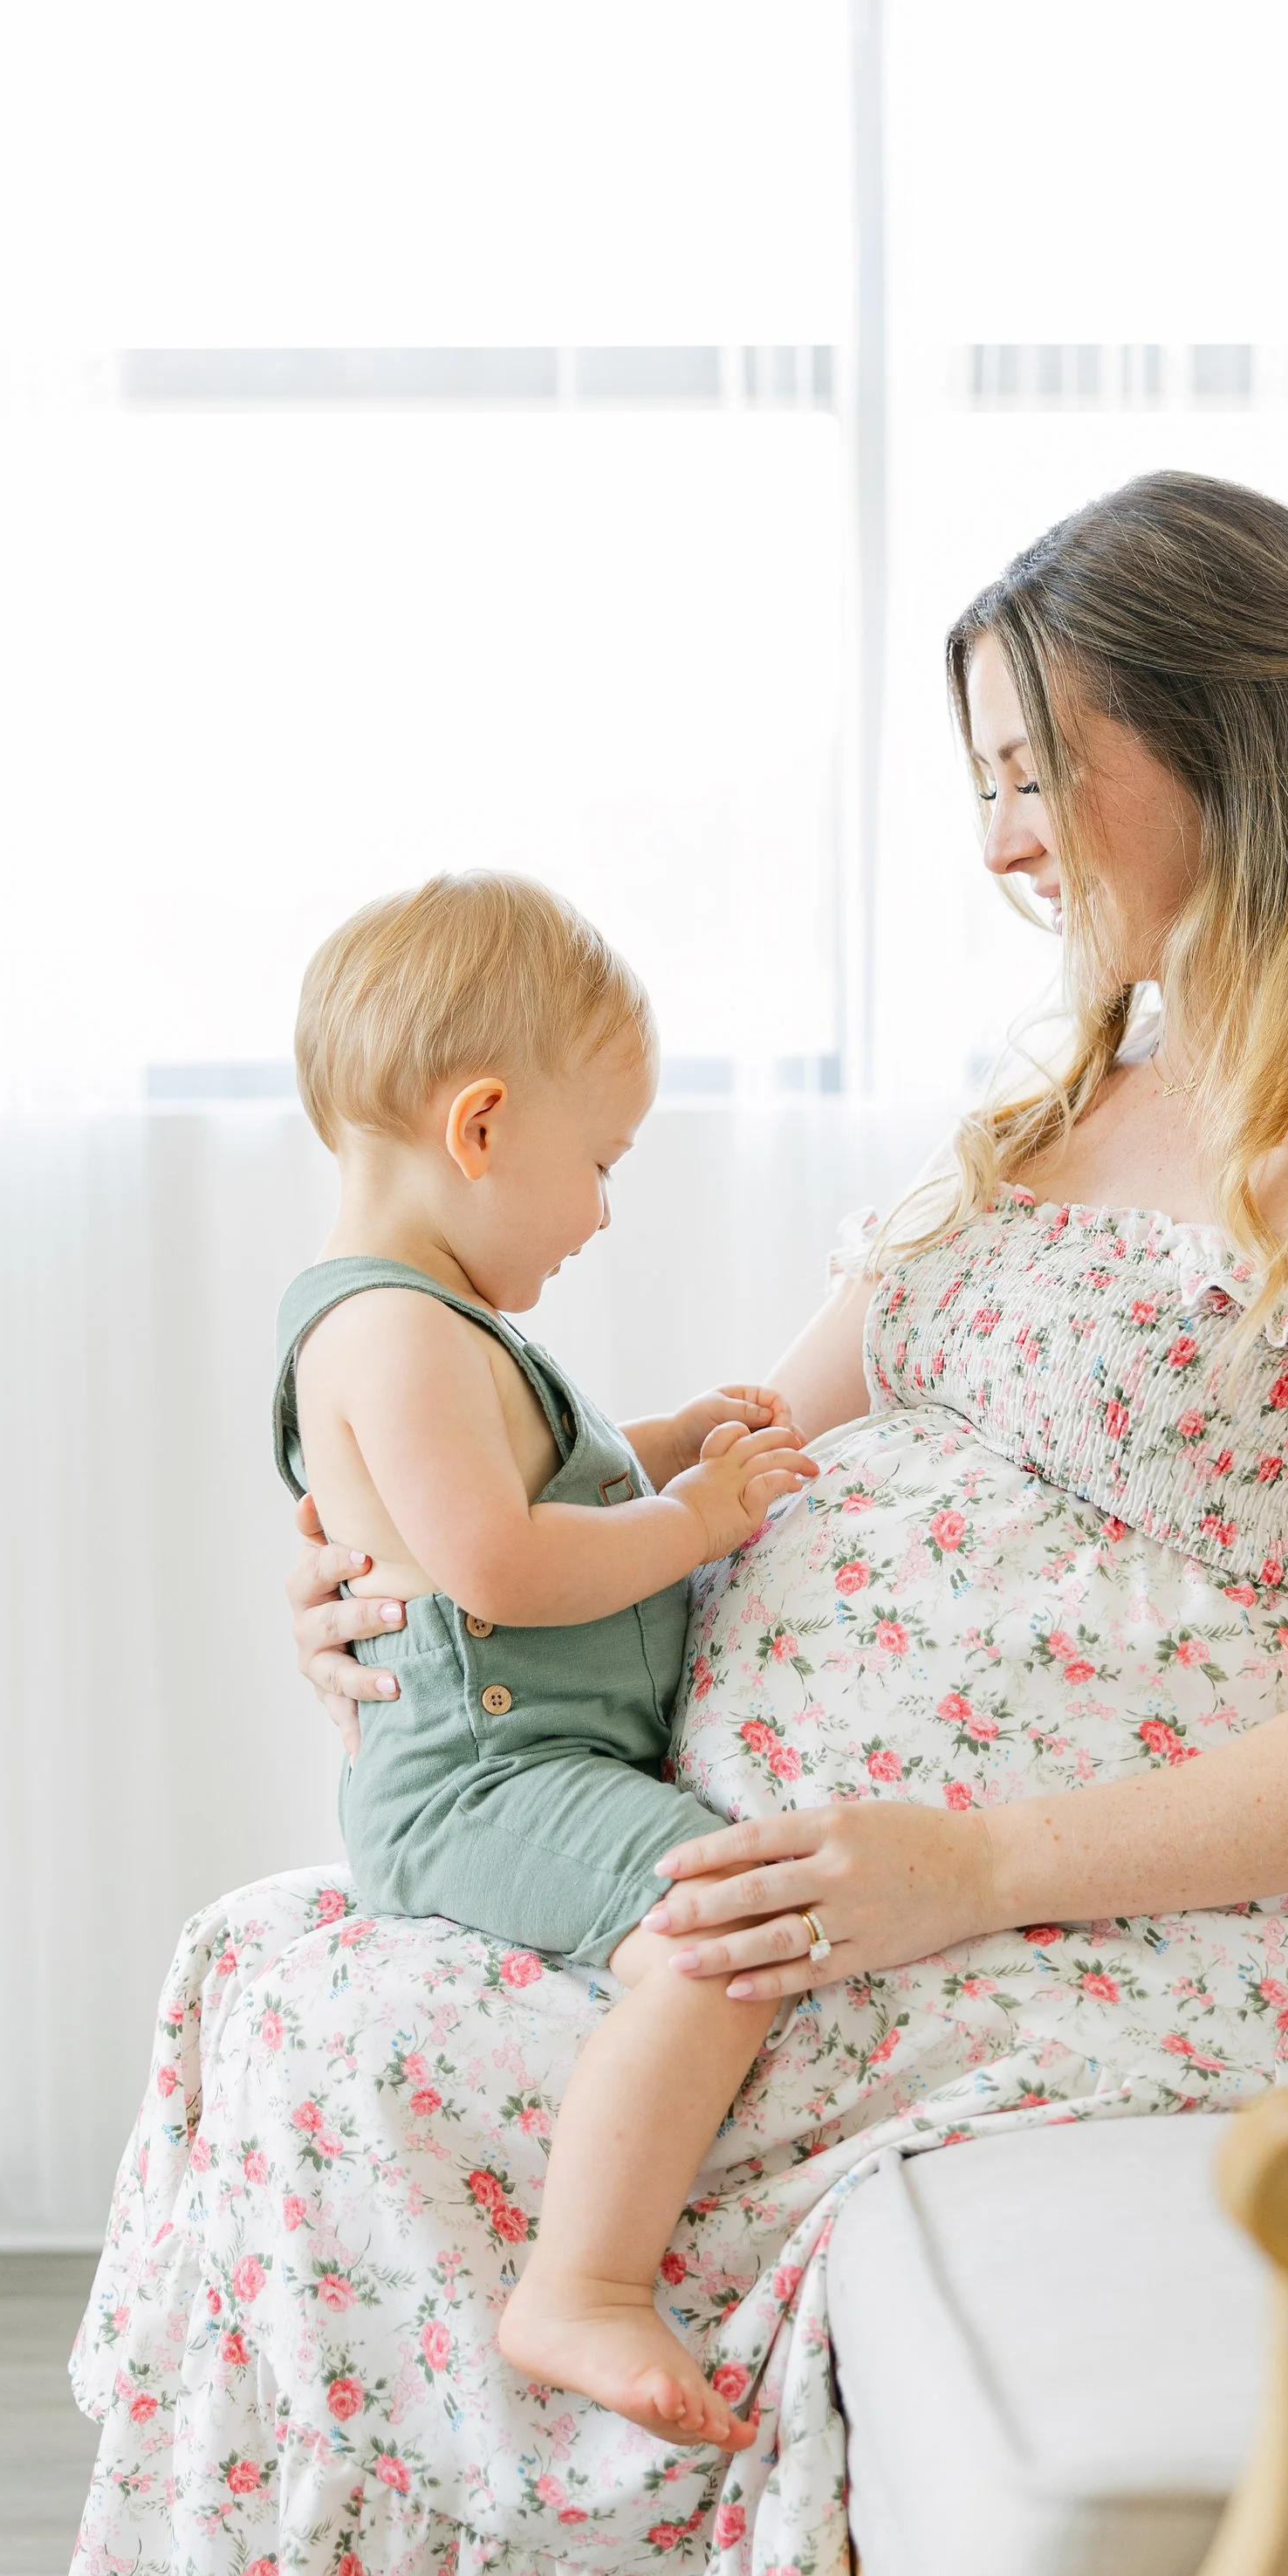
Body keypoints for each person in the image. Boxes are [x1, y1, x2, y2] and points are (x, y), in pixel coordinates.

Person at [45, 472, 1288, 2576]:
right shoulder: (1052, 1102)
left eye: (1030, 770)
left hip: (1156, 1900)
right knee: (275, 1966)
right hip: (796, 1836)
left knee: (394, 2055)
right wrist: (404, 1543)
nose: (996, 840)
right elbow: (732, 1442)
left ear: (1224, 742)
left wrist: (960, 1863)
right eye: (976, 781)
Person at [274, 873, 816, 2447]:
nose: (601, 1210)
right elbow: (502, 1562)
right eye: (601, 1161)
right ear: (484, 1125)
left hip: (533, 1766)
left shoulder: (435, 1326)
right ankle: (580, 2280)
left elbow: (535, 1482)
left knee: (726, 1902)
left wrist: (662, 1442)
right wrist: (702, 1517)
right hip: (486, 1785)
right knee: (724, 1920)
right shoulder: (395, 1333)